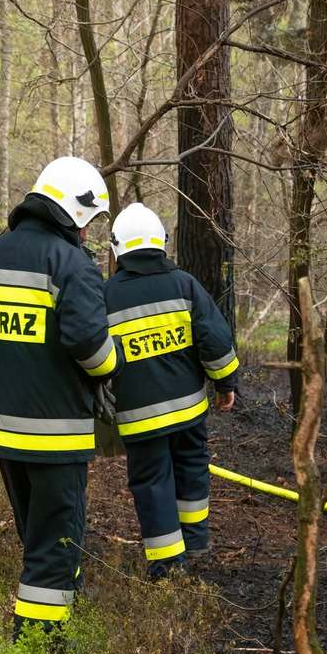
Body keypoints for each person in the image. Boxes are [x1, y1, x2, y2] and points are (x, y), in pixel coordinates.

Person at [0, 157, 122, 638]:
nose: (88, 232)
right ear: (76, 211)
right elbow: (88, 346)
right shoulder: (71, 263)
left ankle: (63, 593)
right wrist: (110, 363)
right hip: (56, 433)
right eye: (90, 221)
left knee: (36, 528)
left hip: (0, 429)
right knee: (56, 535)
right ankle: (39, 642)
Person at [103, 203, 238, 578]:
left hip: (139, 418)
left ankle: (167, 565)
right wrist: (225, 383)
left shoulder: (106, 295)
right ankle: (195, 542)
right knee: (192, 469)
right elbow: (214, 338)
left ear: (117, 248)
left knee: (153, 484)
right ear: (161, 242)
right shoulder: (184, 284)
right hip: (190, 411)